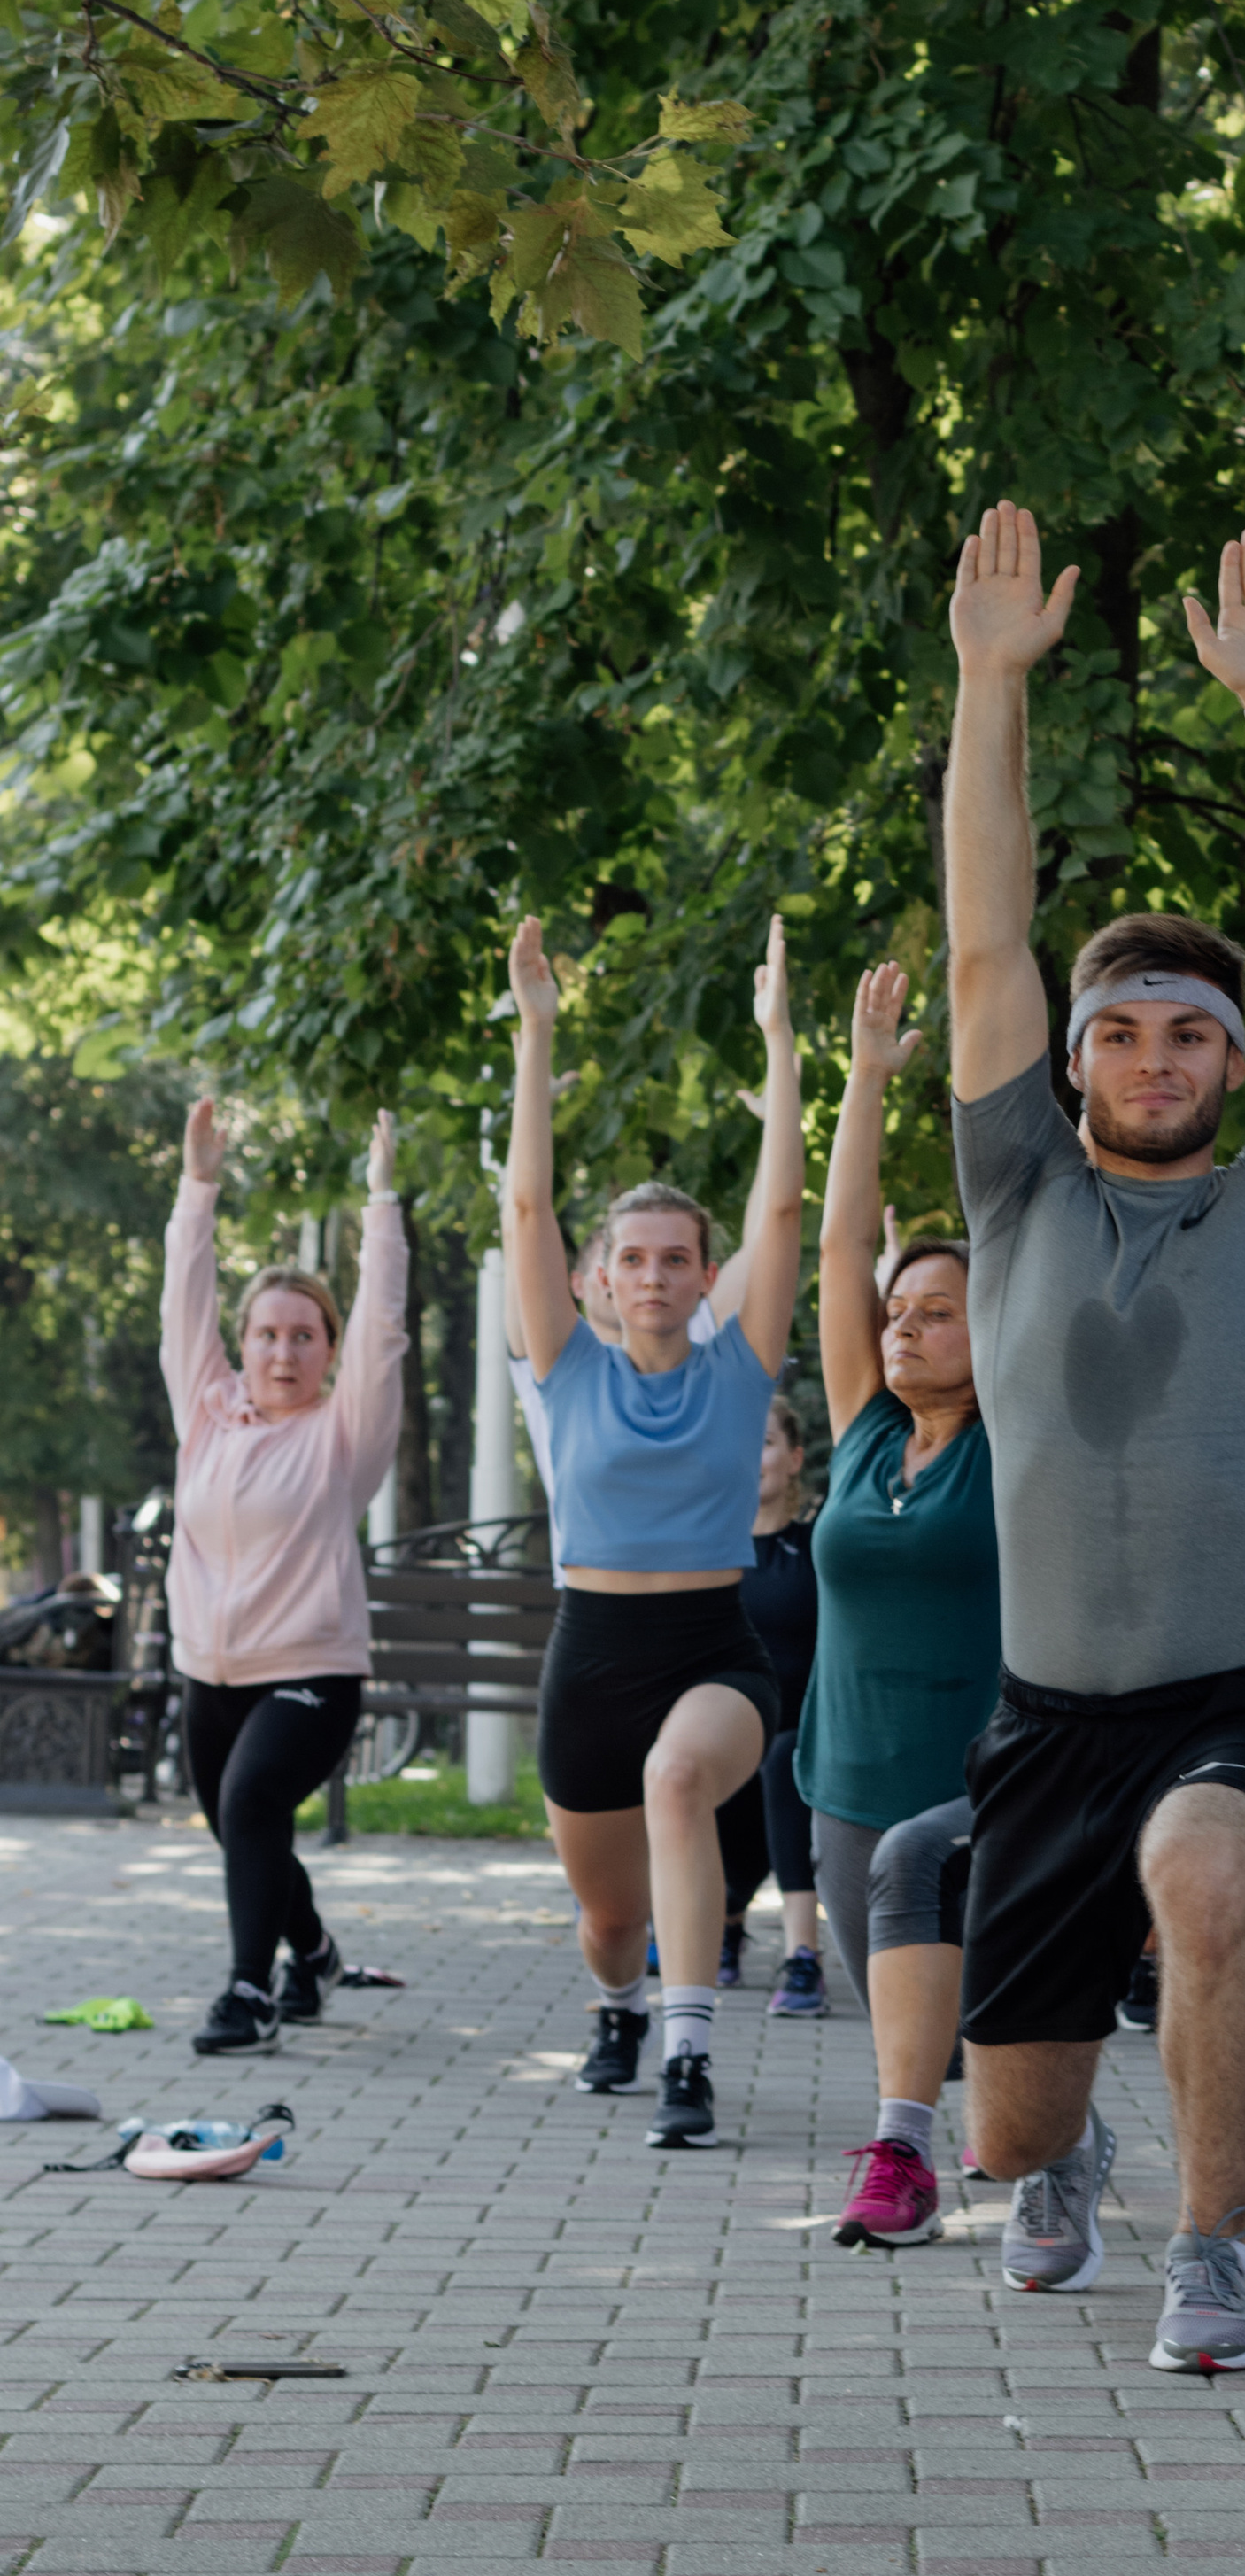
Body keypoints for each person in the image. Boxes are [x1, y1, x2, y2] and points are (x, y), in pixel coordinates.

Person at [945, 505, 1245, 2373]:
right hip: (1044, 1717)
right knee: (1004, 2135)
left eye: (1188, 1034)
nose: (1154, 1059)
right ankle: (1072, 2162)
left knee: (1209, 1877)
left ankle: (1212, 2252)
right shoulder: (1015, 1190)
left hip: (1227, 1697)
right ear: (1073, 1065)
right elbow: (981, 945)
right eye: (1120, 1030)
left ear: (1224, 1062)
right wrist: (986, 685)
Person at [507, 912, 802, 2152]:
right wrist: (536, 1032)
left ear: (703, 1273)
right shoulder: (562, 1366)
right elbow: (525, 1202)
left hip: (710, 1642)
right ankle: (622, 2005)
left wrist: (784, 1048)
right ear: (597, 1277)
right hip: (592, 1651)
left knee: (682, 1781)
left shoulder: (741, 1368)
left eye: (678, 1258)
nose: (657, 1275)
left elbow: (786, 1214)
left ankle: (688, 2053)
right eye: (632, 1257)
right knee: (607, 1922)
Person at [799, 960, 1001, 2254]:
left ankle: (904, 2161)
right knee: (930, 2025)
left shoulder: (1022, 1436)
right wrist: (865, 1079)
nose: (907, 1330)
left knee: (979, 2019)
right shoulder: (866, 1431)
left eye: (940, 1312)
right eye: (898, 1313)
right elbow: (831, 1247)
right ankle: (1029, 2127)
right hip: (844, 1769)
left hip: (987, 1768)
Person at [161, 1098, 407, 2055]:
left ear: (327, 1351)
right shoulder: (209, 1412)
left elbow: (382, 1327)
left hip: (310, 1669)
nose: (282, 1351)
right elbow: (183, 1298)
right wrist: (199, 1185)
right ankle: (312, 1952)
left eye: (304, 1336)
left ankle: (246, 1993)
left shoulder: (344, 1435)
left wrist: (381, 1203)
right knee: (240, 1828)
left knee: (253, 1804)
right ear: (243, 1341)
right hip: (207, 1671)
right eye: (266, 1334)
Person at [742, 1396, 827, 2012]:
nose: (753, 1457)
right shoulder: (704, 1553)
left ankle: (803, 1955)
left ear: (793, 1459)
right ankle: (718, 1928)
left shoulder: (819, 1546)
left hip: (810, 1737)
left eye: (766, 1442)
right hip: (729, 1735)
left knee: (778, 1760)